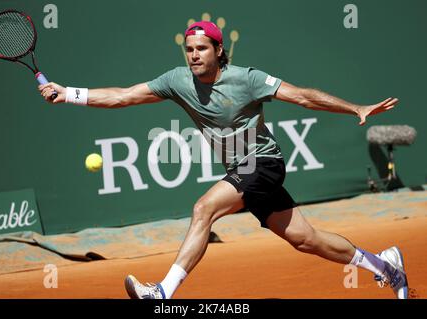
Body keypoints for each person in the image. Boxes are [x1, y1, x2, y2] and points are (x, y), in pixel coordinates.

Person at [39, 21, 408, 299]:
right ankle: (385, 264)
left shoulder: (246, 79)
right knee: (305, 239)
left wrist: (355, 108)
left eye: (201, 48)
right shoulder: (177, 80)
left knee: (204, 209)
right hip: (239, 170)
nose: (194, 55)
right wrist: (68, 92)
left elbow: (302, 96)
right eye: (189, 49)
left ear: (218, 50)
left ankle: (162, 293)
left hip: (263, 163)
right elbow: (123, 96)